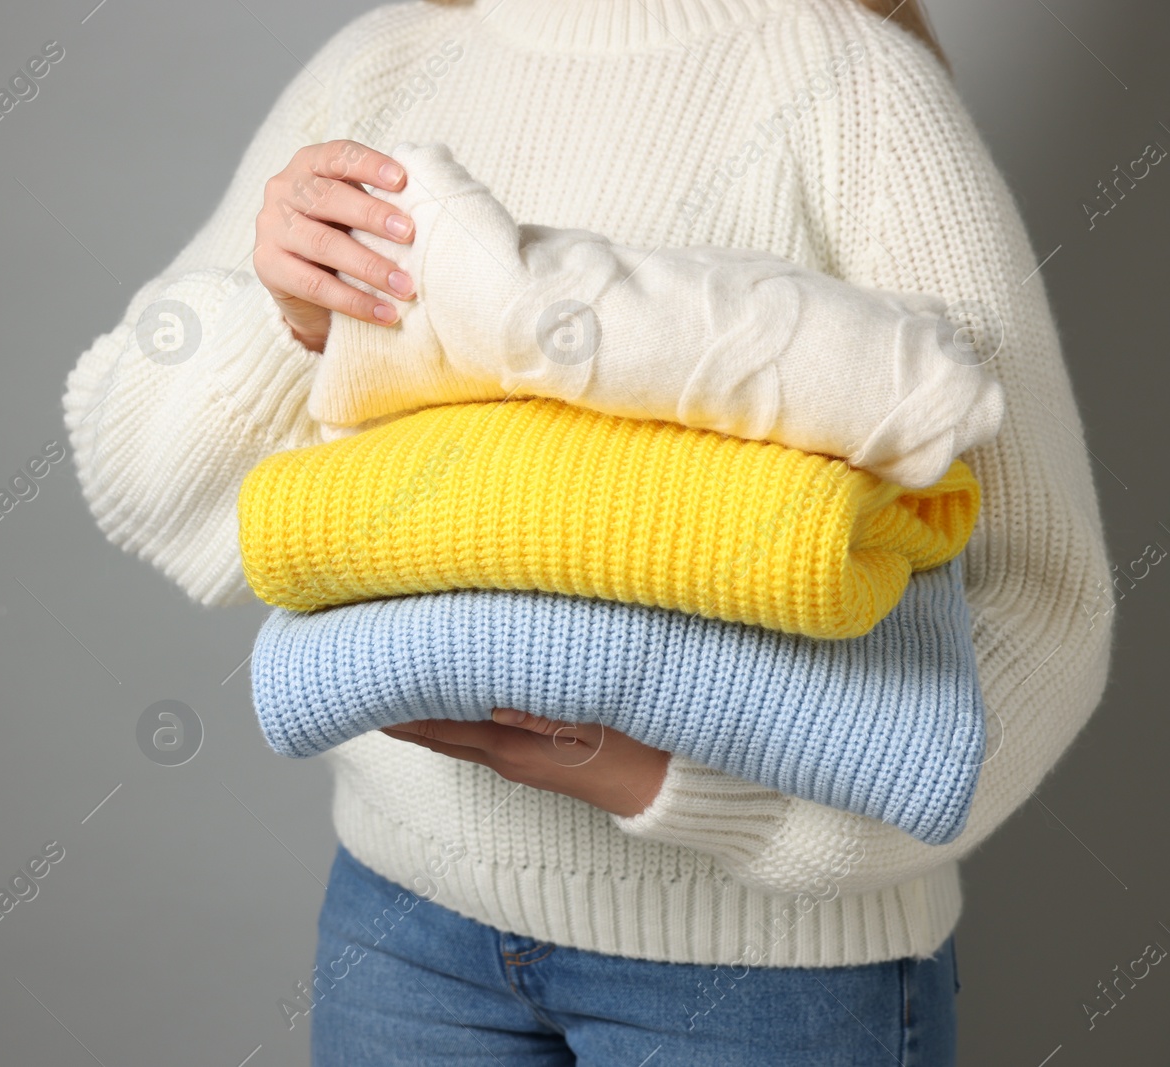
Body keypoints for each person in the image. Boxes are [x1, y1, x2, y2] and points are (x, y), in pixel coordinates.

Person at [61, 0, 1115, 1062]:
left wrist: (691, 791)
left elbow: (1041, 600)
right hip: (402, 935)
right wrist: (292, 324)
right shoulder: (385, 68)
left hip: (763, 976)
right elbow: (140, 466)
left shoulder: (854, 88)